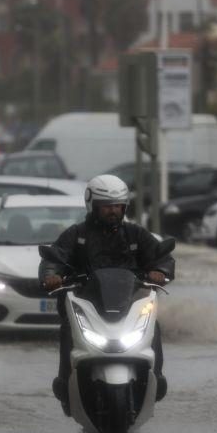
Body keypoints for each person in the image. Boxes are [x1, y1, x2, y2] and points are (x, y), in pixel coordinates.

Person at [40, 174, 174, 413]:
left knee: (155, 327)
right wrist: (52, 275)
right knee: (67, 331)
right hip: (87, 305)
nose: (113, 211)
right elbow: (55, 258)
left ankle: (158, 378)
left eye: (117, 206)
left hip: (129, 305)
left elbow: (161, 255)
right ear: (93, 206)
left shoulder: (135, 234)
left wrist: (159, 271)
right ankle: (65, 386)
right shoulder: (76, 235)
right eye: (107, 206)